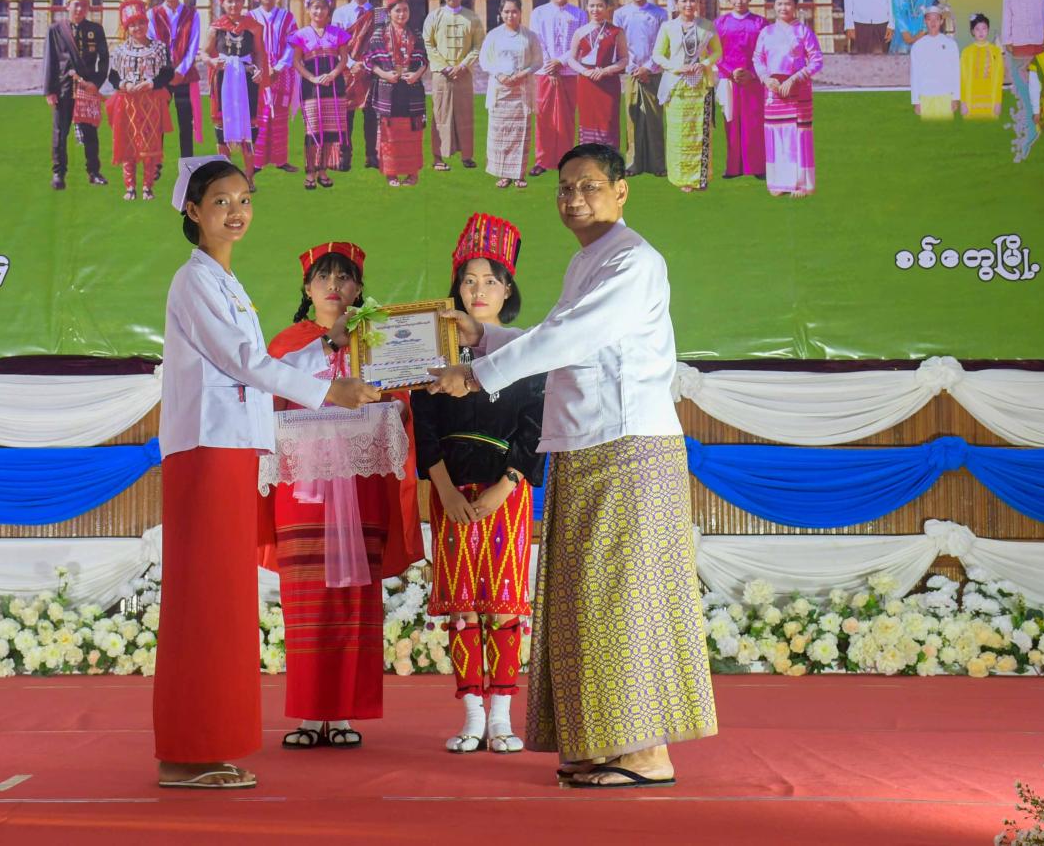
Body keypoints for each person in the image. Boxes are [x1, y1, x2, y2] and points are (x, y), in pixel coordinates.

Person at [426, 143, 718, 790]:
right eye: (565, 188)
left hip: (627, 446)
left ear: (621, 190)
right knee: (589, 599)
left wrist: (475, 371)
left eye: (589, 186)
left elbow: (569, 339)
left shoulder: (633, 260)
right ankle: (602, 742)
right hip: (590, 447)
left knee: (623, 599)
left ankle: (645, 751)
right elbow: (559, 339)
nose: (574, 198)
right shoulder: (590, 260)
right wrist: (483, 337)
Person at [154, 155, 379, 790]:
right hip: (206, 450)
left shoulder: (226, 283)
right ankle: (185, 752)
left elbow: (254, 364)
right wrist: (329, 390)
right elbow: (245, 362)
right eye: (221, 201)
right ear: (193, 211)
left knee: (225, 601)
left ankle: (209, 744)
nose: (236, 211)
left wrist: (328, 359)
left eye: (244, 200)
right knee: (205, 600)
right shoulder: (194, 282)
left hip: (231, 449)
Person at [259, 241, 422, 751]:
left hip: (360, 484)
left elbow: (400, 400)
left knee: (355, 597)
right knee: (306, 600)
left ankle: (345, 711)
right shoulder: (287, 346)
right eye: (323, 277)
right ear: (307, 290)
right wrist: (330, 344)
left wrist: (396, 404)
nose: (334, 285)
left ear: (359, 289)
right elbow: (272, 393)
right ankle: (311, 713)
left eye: (344, 277)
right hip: (302, 487)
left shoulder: (378, 340)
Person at [410, 213, 544, 755]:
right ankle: (471, 716)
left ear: (508, 289)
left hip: (505, 494)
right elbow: (424, 427)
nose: (479, 290)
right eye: (469, 281)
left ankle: (503, 720)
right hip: (451, 494)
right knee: (464, 608)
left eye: (490, 280)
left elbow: (534, 426)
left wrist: (505, 486)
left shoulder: (525, 351)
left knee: (504, 606)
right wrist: (442, 491)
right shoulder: (436, 353)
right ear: (456, 290)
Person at [752, 0, 823, 198]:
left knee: (798, 135)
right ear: (774, 6)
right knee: (776, 135)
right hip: (773, 93)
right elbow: (757, 59)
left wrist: (794, 79)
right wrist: (766, 79)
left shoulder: (803, 31)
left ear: (795, 6)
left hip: (798, 92)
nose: (783, 8)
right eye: (779, 4)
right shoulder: (766, 32)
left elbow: (817, 60)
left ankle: (802, 184)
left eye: (788, 4)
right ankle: (779, 182)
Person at [652, 0, 722, 193]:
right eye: (684, 1)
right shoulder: (668, 27)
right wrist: (676, 67)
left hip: (701, 88)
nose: (689, 4)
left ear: (697, 3)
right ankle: (681, 178)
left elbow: (717, 52)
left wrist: (704, 63)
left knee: (701, 131)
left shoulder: (707, 26)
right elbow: (657, 55)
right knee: (679, 134)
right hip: (677, 87)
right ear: (676, 3)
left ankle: (700, 178)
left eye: (692, 0)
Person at [105, 0, 175, 201]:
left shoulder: (159, 48)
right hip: (127, 103)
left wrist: (150, 83)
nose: (137, 28)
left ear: (147, 23)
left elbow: (167, 73)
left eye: (141, 23)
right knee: (127, 142)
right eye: (132, 25)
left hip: (151, 102)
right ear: (127, 28)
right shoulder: (119, 51)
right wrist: (124, 85)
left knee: (150, 144)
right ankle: (130, 187)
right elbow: (113, 76)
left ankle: (147, 187)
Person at [42, 0, 109, 190]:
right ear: (67, 6)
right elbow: (50, 61)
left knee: (90, 133)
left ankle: (94, 172)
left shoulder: (95, 30)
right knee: (60, 133)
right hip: (64, 88)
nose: (79, 9)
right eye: (76, 4)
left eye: (83, 5)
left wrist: (96, 83)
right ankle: (58, 173)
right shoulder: (55, 30)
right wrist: (49, 90)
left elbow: (104, 59)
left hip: (87, 89)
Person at [204, 0, 267, 185]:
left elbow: (259, 53)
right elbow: (204, 52)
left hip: (247, 81)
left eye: (238, 0)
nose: (234, 5)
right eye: (230, 1)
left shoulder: (253, 27)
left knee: (249, 128)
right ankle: (226, 176)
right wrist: (212, 61)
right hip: (223, 81)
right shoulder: (216, 28)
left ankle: (249, 177)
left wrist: (259, 70)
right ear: (222, 3)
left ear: (243, 2)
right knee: (222, 129)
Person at [477, 0, 543, 189]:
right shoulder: (493, 35)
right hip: (500, 92)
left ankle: (519, 175)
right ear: (500, 13)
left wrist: (522, 74)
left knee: (520, 134)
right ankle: (504, 174)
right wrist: (499, 75)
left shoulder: (529, 36)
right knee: (500, 135)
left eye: (514, 11)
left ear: (520, 12)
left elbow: (538, 61)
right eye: (506, 12)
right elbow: (484, 60)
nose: (510, 15)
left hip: (521, 93)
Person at [367, 0, 429, 187]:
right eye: (397, 11)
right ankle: (391, 173)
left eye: (405, 10)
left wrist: (416, 74)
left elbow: (424, 60)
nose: (402, 14)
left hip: (411, 90)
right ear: (389, 13)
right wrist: (385, 74)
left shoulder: (415, 34)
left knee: (412, 133)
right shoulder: (379, 34)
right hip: (388, 90)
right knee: (390, 135)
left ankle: (412, 173)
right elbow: (369, 61)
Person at [423, 0, 483, 171]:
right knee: (440, 114)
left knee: (465, 115)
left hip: (463, 74)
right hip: (442, 75)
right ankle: (438, 157)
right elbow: (428, 44)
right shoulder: (434, 17)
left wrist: (463, 65)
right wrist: (445, 66)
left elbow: (477, 46)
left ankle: (467, 155)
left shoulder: (472, 17)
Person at [291, 0, 351, 191]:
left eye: (323, 8)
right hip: (311, 88)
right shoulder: (300, 35)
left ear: (328, 10)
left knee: (330, 130)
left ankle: (323, 170)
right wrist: (313, 78)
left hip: (334, 86)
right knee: (313, 130)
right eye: (315, 8)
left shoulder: (337, 33)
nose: (319, 11)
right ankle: (310, 172)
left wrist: (333, 74)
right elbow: (296, 62)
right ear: (308, 10)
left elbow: (343, 58)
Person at [529, 0, 587, 176]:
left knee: (567, 117)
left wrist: (560, 62)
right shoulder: (538, 13)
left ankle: (566, 159)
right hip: (544, 73)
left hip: (568, 71)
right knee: (544, 116)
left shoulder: (579, 14)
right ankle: (542, 160)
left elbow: (580, 44)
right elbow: (537, 42)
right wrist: (549, 65)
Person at [613, 0, 668, 178]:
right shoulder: (620, 14)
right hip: (632, 72)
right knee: (632, 118)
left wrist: (649, 67)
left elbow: (664, 44)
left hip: (653, 72)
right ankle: (633, 163)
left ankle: (658, 164)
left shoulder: (659, 13)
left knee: (654, 118)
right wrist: (634, 67)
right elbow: (619, 45)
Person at [714, 0, 768, 179]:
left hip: (753, 81)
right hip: (729, 81)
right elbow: (714, 52)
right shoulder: (720, 23)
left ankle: (757, 167)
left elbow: (767, 52)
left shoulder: (760, 23)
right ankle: (733, 168)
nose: (739, 1)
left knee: (754, 124)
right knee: (731, 122)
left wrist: (752, 73)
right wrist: (731, 72)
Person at [567, 0, 629, 150]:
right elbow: (571, 59)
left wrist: (606, 70)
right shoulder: (580, 32)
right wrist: (585, 71)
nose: (596, 9)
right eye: (592, 6)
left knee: (608, 122)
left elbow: (624, 59)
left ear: (608, 7)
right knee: (588, 122)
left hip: (608, 83)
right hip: (587, 84)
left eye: (600, 6)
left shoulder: (616, 32)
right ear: (587, 7)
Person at [250, 0, 300, 179]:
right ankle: (257, 161)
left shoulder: (287, 17)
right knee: (259, 116)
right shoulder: (250, 17)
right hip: (258, 73)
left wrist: (278, 67)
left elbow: (293, 43)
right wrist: (259, 68)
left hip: (282, 72)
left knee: (279, 115)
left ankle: (281, 159)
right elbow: (247, 46)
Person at [150, 0, 202, 159]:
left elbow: (193, 44)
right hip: (161, 75)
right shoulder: (152, 14)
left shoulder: (192, 14)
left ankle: (187, 163)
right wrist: (167, 71)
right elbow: (152, 45)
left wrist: (180, 70)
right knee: (157, 120)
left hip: (184, 75)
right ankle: (155, 163)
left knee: (185, 121)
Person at [333, 0, 377, 171]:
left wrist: (366, 64)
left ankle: (371, 155)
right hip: (347, 69)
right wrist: (351, 63)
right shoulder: (340, 13)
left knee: (371, 114)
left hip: (371, 70)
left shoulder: (378, 13)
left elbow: (381, 42)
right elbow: (336, 43)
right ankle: (344, 156)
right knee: (345, 116)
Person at [909, 6, 961, 120]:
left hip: (946, 95)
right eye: (929, 19)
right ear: (925, 21)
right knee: (927, 129)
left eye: (936, 19)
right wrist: (916, 101)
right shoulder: (917, 46)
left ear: (941, 21)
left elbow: (955, 72)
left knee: (945, 128)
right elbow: (915, 74)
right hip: (925, 96)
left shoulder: (951, 44)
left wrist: (955, 97)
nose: (933, 23)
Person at [959, 13, 1007, 119]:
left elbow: (999, 78)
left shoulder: (996, 51)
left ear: (988, 30)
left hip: (991, 102)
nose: (981, 32)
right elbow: (962, 78)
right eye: (977, 29)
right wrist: (963, 102)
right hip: (970, 103)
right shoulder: (966, 52)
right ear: (972, 31)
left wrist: (998, 102)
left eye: (984, 28)